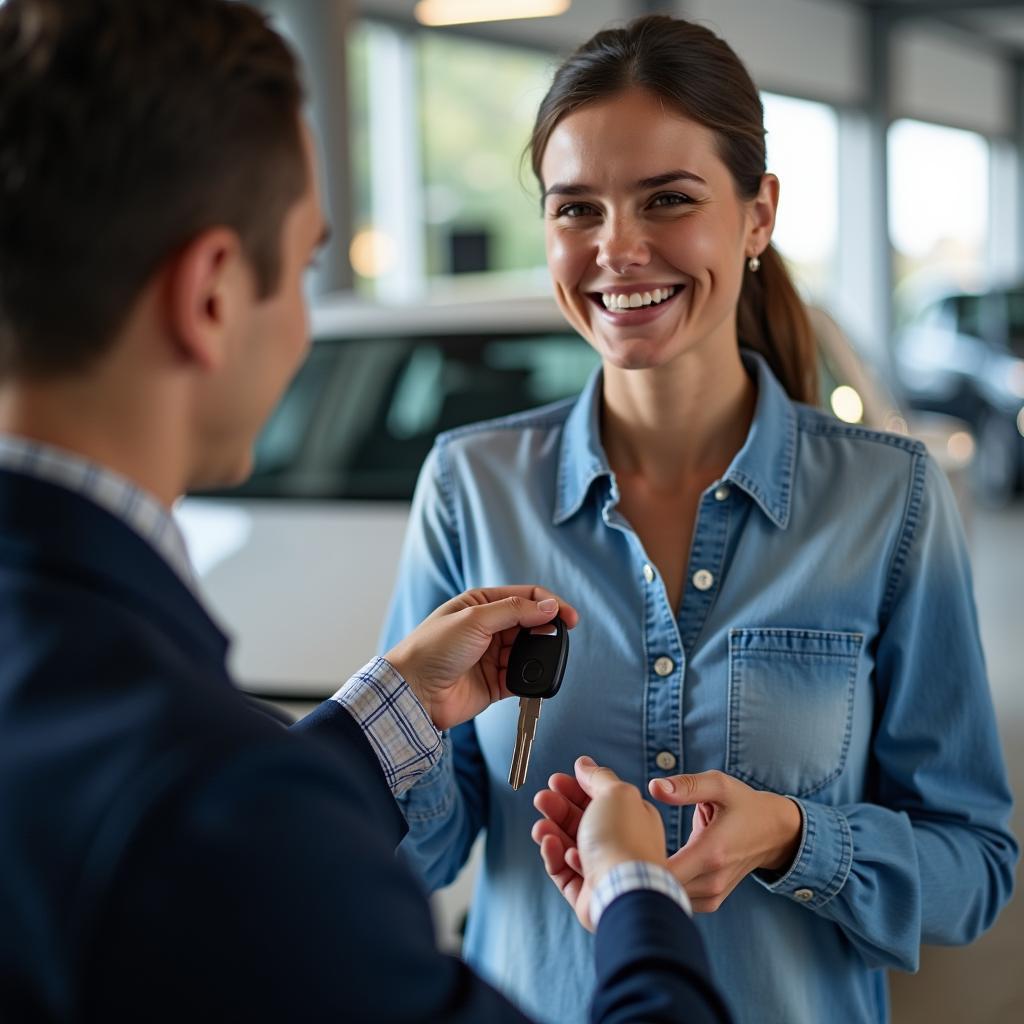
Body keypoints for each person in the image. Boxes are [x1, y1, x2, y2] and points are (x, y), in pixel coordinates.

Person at [0, 2, 734, 1022]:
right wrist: (634, 889)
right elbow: (213, 826)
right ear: (212, 294)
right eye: (305, 265)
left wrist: (385, 704)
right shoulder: (210, 798)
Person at [382, 14, 1019, 1024]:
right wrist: (398, 730)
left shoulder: (887, 501)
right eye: (575, 208)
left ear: (757, 214)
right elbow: (424, 850)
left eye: (667, 200)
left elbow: (972, 868)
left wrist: (793, 835)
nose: (616, 249)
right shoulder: (471, 486)